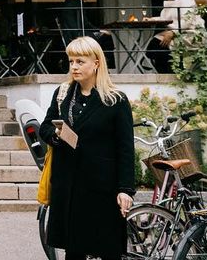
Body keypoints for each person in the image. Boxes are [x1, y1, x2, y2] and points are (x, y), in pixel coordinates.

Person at [39, 36, 135, 260]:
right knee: (74, 252)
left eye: (80, 61)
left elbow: (125, 149)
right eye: (71, 61)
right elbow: (45, 126)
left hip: (102, 189)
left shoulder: (115, 100)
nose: (74, 67)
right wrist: (56, 134)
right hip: (69, 187)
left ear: (96, 63)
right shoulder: (63, 93)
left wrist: (125, 189)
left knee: (109, 251)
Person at [147, 0, 204, 73]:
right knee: (154, 46)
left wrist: (173, 32)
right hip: (178, 32)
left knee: (156, 45)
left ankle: (169, 73)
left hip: (190, 34)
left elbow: (187, 20)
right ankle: (167, 72)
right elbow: (166, 18)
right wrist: (151, 19)